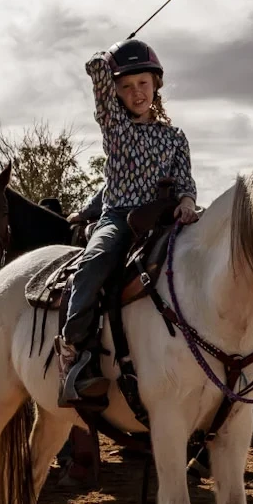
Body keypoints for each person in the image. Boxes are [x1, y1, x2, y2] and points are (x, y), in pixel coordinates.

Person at [60, 38, 198, 406]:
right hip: (120, 217)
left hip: (164, 219)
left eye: (143, 84)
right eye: (126, 86)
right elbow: (100, 84)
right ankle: (76, 350)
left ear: (156, 85)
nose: (136, 92)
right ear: (117, 93)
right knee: (93, 263)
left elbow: (185, 183)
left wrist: (186, 202)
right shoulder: (116, 127)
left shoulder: (175, 137)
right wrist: (100, 63)